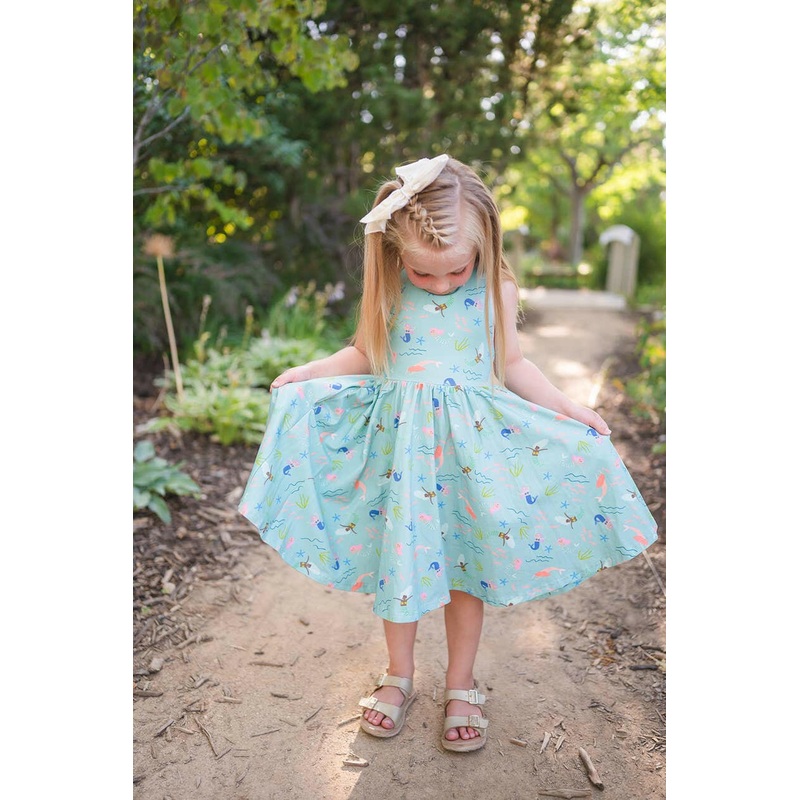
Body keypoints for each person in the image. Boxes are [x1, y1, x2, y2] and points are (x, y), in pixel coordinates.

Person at [238, 154, 658, 753]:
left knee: (465, 568)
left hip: (468, 458)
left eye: (456, 270)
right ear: (398, 254)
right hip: (403, 458)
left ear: (485, 243)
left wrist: (569, 407)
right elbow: (365, 353)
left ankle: (461, 683)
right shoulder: (389, 283)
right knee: (401, 560)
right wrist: (308, 372)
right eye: (424, 272)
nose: (440, 285)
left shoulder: (496, 288)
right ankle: (399, 675)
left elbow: (513, 364)